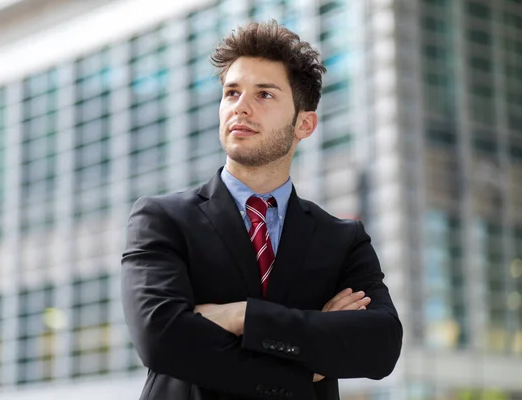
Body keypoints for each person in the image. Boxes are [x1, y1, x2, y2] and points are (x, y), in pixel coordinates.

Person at [121, 20, 402, 400]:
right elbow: (162, 339)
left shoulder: (341, 238)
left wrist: (242, 317)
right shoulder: (162, 219)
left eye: (264, 95)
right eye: (232, 93)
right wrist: (309, 361)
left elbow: (380, 346)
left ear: (304, 124)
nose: (241, 107)